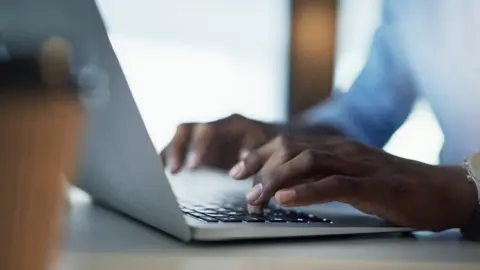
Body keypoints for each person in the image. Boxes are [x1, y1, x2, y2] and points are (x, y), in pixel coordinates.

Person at [161, 0, 480, 236]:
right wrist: (276, 140)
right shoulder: (412, 6)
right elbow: (363, 113)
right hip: (448, 246)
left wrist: (464, 188)